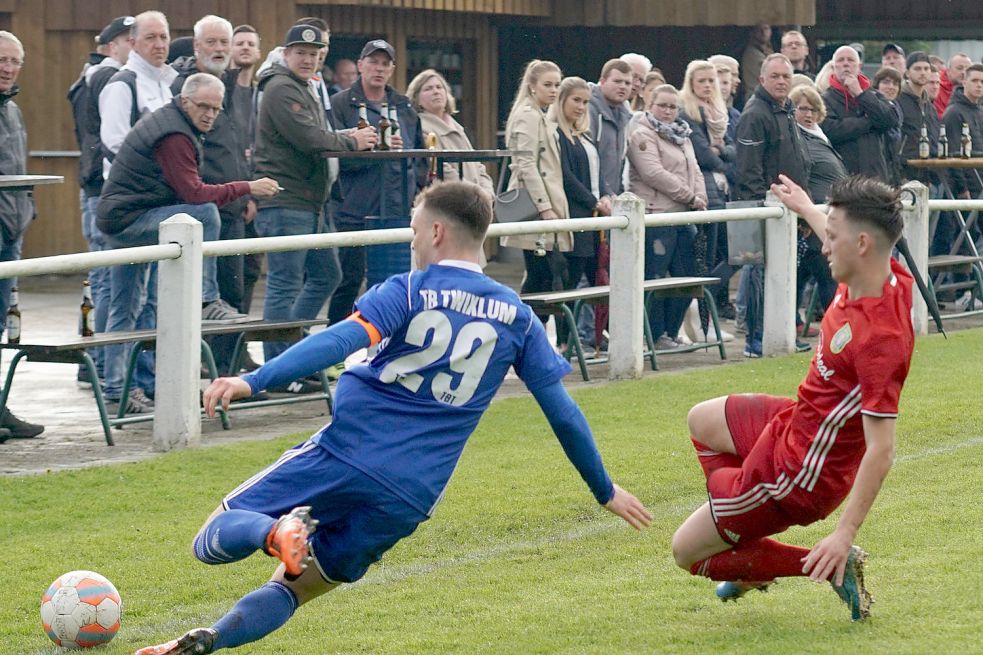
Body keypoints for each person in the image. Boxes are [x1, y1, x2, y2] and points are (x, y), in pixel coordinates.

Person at [131, 180, 652, 655]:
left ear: (437, 231)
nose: (412, 242)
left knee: (212, 537)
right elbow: (562, 412)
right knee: (297, 587)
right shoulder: (517, 315)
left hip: (346, 452)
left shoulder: (407, 289)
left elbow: (339, 339)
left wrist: (253, 379)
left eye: (414, 230)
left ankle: (274, 533)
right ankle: (212, 640)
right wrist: (604, 490)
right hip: (411, 494)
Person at [671, 173, 914, 623]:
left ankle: (828, 564)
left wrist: (843, 533)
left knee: (686, 552)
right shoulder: (881, 271)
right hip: (796, 421)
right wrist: (805, 206)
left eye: (832, 234)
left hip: (800, 475)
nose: (824, 244)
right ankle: (745, 546)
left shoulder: (880, 338)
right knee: (702, 420)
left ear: (861, 244)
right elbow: (838, 232)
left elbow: (882, 449)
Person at [97, 74, 279, 411]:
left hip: (123, 217)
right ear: (184, 102)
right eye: (203, 107)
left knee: (131, 306)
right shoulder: (175, 135)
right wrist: (247, 187)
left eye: (216, 109)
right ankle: (206, 298)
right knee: (205, 213)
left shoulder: (177, 125)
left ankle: (118, 393)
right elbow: (193, 194)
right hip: (129, 222)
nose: (210, 114)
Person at [253, 26, 375, 391]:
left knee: (327, 275)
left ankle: (294, 355)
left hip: (311, 202)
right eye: (301, 52)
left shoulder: (304, 85)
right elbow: (310, 139)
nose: (309, 59)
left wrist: (347, 139)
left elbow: (317, 136)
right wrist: (353, 139)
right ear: (286, 53)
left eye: (315, 52)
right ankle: (276, 373)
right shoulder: (280, 87)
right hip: (286, 200)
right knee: (284, 284)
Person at [328, 39, 426, 325]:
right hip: (353, 208)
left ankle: (388, 352)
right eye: (373, 62)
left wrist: (417, 195)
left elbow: (418, 155)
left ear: (392, 69)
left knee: (394, 285)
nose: (378, 69)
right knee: (348, 283)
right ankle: (336, 355)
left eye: (385, 63)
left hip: (397, 210)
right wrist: (368, 150)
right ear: (360, 65)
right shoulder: (340, 103)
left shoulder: (404, 106)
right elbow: (332, 157)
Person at [734, 53, 809, 358]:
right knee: (756, 275)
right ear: (762, 79)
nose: (781, 81)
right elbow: (747, 170)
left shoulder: (785, 110)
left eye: (785, 76)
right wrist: (761, 213)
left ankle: (779, 333)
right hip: (758, 208)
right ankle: (755, 339)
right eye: (775, 76)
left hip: (786, 208)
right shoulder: (754, 114)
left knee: (782, 275)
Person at [627, 83, 707, 350]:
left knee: (687, 276)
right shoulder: (642, 134)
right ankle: (655, 334)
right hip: (657, 216)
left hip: (683, 217)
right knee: (656, 277)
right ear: (650, 105)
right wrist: (689, 196)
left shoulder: (683, 135)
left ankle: (671, 332)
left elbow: (694, 168)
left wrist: (701, 196)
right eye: (662, 105)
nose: (668, 111)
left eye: (673, 106)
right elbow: (652, 173)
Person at [0, 30, 45, 440]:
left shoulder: (13, 111)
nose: (7, 67)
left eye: (14, 61)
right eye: (2, 59)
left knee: (0, 322)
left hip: (11, 228)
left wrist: (27, 210)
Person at [499, 59, 571, 306]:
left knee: (544, 274)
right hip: (535, 205)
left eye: (557, 85)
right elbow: (525, 164)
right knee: (541, 274)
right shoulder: (527, 115)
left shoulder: (539, 115)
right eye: (547, 85)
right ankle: (527, 331)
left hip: (543, 201)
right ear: (532, 86)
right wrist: (545, 207)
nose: (553, 90)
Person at [551, 76, 611, 348]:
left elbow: (595, 174)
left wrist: (603, 196)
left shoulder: (582, 134)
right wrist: (593, 201)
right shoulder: (557, 135)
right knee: (570, 280)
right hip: (576, 214)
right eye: (576, 100)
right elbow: (565, 176)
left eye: (586, 102)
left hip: (592, 216)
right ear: (562, 100)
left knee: (592, 277)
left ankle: (589, 337)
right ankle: (565, 341)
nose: (581, 106)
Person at [679, 60, 735, 317]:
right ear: (691, 83)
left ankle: (710, 309)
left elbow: (736, 150)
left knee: (729, 254)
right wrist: (723, 158)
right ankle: (701, 314)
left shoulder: (721, 113)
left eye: (711, 80)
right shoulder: (687, 112)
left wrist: (721, 150)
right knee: (706, 258)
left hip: (724, 191)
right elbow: (702, 154)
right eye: (701, 80)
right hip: (704, 192)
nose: (707, 85)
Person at [789, 85, 845, 323]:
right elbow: (802, 173)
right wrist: (806, 214)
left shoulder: (818, 133)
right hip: (813, 214)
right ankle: (837, 327)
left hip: (828, 212)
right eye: (802, 109)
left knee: (804, 272)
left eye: (813, 109)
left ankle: (797, 322)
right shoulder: (796, 136)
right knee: (827, 274)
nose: (808, 114)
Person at [406, 68, 494, 197]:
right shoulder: (421, 128)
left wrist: (488, 192)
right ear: (416, 98)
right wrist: (476, 194)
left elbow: (477, 165)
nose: (436, 92)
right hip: (453, 200)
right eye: (428, 89)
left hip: (476, 200)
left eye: (439, 87)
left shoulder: (456, 126)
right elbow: (442, 170)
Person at [821, 45, 899, 182]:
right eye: (841, 60)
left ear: (859, 66)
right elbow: (831, 130)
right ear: (833, 68)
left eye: (850, 60)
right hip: (843, 178)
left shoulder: (873, 95)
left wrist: (860, 94)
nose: (846, 64)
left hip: (876, 178)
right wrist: (869, 122)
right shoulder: (825, 98)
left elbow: (890, 119)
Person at [589, 58, 633, 196]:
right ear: (602, 81)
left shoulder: (625, 115)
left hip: (612, 197)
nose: (623, 86)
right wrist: (604, 194)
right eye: (617, 81)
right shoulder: (589, 109)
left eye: (627, 83)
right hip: (593, 197)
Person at [871, 66, 904, 186]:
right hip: (877, 172)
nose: (891, 87)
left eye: (895, 84)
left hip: (893, 171)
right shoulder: (873, 107)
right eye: (886, 82)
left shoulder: (897, 109)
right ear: (877, 85)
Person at [934, 53, 972, 118]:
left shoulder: (977, 91)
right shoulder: (936, 89)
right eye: (959, 68)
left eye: (967, 69)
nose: (964, 72)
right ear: (948, 72)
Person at [740, 23, 773, 98]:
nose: (763, 32)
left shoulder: (767, 50)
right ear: (752, 32)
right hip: (754, 95)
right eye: (759, 30)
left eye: (766, 29)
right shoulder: (751, 53)